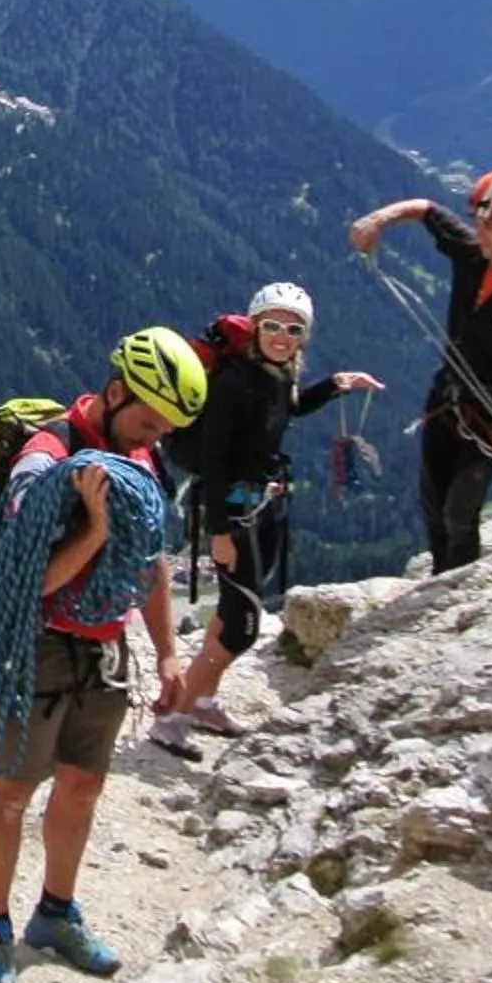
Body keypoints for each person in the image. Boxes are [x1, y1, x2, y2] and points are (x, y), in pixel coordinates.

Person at [0, 325, 208, 983]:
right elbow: (28, 581)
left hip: (104, 645)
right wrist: (96, 532)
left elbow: (152, 558)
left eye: (165, 429)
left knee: (82, 784)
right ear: (113, 392)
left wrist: (166, 650)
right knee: (11, 791)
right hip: (37, 643)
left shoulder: (140, 461)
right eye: (147, 420)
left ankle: (55, 912)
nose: (154, 438)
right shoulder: (46, 461)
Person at [149, 283, 381, 757]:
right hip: (234, 512)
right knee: (243, 626)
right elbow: (212, 461)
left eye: (292, 329)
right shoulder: (235, 382)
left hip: (259, 505)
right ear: (254, 327)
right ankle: (173, 718)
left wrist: (337, 384)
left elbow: (288, 406)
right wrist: (218, 534)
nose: (281, 335)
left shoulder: (275, 374)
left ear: (303, 337)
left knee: (232, 614)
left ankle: (204, 700)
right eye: (271, 325)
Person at [350, 169, 492, 574]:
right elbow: (425, 209)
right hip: (445, 400)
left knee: (458, 512)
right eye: (478, 223)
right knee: (433, 505)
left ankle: (455, 593)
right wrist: (376, 220)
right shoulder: (472, 256)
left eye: (491, 226)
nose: (481, 232)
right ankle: (440, 581)